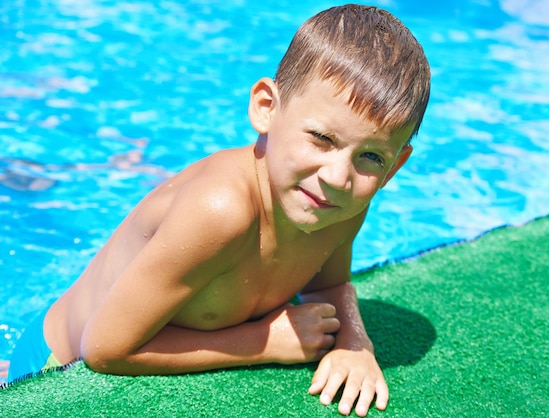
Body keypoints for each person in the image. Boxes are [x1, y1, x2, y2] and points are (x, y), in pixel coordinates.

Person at [8, 4, 430, 416]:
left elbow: (327, 287)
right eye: (321, 137)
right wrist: (264, 342)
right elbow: (105, 349)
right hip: (52, 369)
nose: (339, 176)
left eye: (372, 158)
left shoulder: (339, 203)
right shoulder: (220, 210)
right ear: (266, 108)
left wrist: (356, 345)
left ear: (395, 166)